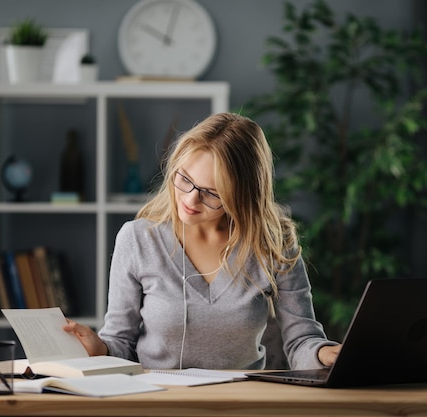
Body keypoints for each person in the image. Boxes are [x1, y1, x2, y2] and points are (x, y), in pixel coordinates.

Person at [64, 112, 341, 370]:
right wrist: (98, 348)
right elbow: (120, 345)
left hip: (239, 403)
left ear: (242, 195)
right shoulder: (137, 239)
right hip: (157, 401)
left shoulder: (272, 244)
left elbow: (302, 340)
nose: (190, 199)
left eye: (211, 192)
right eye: (184, 179)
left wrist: (325, 354)